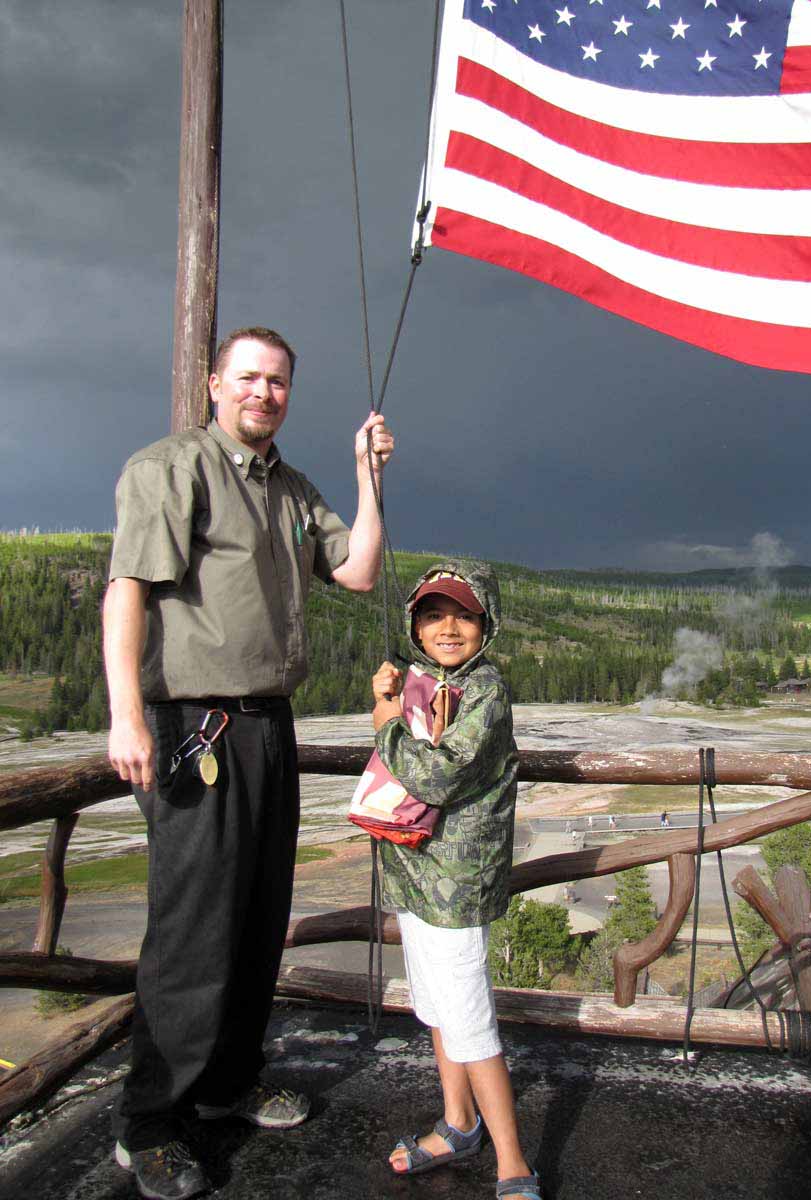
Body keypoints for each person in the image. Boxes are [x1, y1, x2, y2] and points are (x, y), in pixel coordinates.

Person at [103, 326, 394, 1200]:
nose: (263, 394)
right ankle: (151, 1122)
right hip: (196, 725)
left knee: (258, 917)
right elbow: (128, 591)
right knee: (193, 929)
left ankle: (227, 1087)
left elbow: (362, 571)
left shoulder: (292, 488)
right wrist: (128, 716)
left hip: (269, 724)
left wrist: (368, 476)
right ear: (213, 384)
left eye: (277, 383)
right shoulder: (172, 468)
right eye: (249, 379)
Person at [370, 559, 542, 1200]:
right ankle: (458, 1122)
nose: (447, 627)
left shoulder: (486, 692)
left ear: (486, 624)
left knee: (469, 1018)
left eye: (463, 615)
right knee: (437, 1006)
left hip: (457, 882)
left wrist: (384, 718)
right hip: (414, 869)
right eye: (433, 613)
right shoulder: (424, 680)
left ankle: (513, 1163)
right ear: (414, 624)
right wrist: (396, 700)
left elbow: (437, 777)